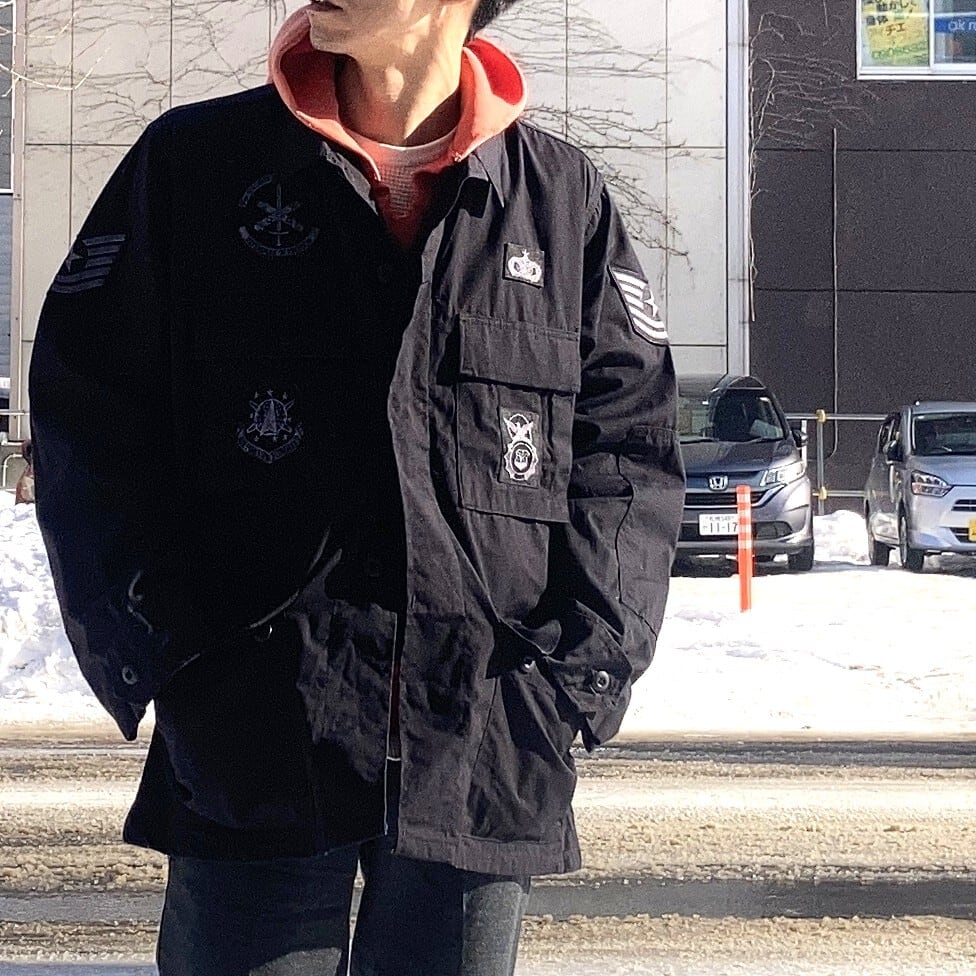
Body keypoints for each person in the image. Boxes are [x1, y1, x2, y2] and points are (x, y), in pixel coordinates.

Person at [28, 0, 685, 972]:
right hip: (255, 741)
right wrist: (168, 650)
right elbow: (90, 413)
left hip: (483, 748)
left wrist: (572, 680)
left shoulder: (559, 200)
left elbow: (626, 449)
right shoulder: (196, 167)